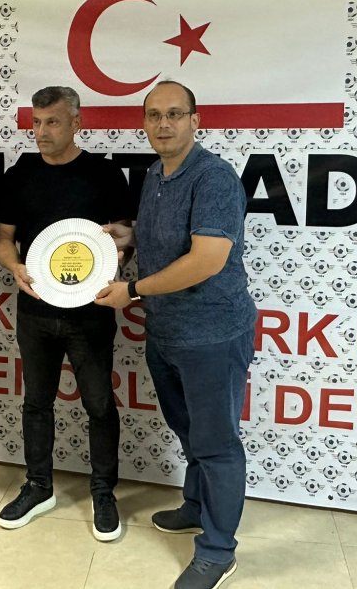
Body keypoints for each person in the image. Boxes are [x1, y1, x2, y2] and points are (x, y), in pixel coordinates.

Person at [96, 81, 256, 589]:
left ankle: (218, 551)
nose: (163, 124)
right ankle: (196, 506)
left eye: (174, 114)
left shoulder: (214, 178)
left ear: (194, 120)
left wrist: (132, 290)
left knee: (217, 444)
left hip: (212, 334)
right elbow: (162, 238)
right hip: (166, 332)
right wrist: (126, 237)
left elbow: (207, 260)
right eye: (153, 115)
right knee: (189, 431)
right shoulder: (154, 174)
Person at [0, 86, 132, 541]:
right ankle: (38, 486)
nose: (41, 132)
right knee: (36, 402)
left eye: (52, 122)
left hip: (91, 313)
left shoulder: (105, 175)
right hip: (35, 310)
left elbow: (124, 239)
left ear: (76, 122)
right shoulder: (20, 174)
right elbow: (5, 240)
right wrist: (14, 266)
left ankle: (103, 492)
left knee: (99, 404)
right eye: (36, 123)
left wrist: (118, 256)